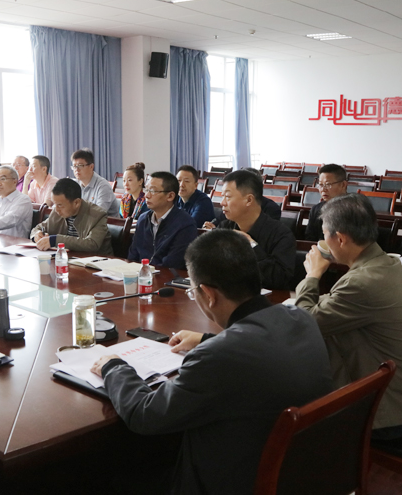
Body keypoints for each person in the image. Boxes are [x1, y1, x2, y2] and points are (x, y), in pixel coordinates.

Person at [91, 230, 333, 494]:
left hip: (229, 482)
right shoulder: (301, 318)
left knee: (106, 475)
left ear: (208, 294)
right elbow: (260, 351)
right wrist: (207, 339)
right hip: (297, 474)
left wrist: (114, 367)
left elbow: (146, 415)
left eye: (193, 291)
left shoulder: (219, 356)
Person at [296, 194, 402, 438]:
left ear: (340, 238)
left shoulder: (362, 281)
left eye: (324, 234)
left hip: (385, 413)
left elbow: (305, 323)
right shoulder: (386, 263)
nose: (323, 241)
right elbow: (340, 301)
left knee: (291, 402)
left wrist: (312, 276)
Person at [213, 170, 295, 290]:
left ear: (249, 200)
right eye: (222, 196)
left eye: (228, 197)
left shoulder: (281, 234)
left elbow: (280, 278)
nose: (222, 203)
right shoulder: (224, 228)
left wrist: (252, 245)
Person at [128, 172, 197, 269]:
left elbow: (174, 263)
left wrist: (147, 271)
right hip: (140, 273)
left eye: (153, 191)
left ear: (170, 196)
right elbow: (133, 254)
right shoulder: (143, 219)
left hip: (166, 275)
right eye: (146, 189)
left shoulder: (185, 224)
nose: (147, 195)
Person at [31, 178, 113, 254]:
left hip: (96, 261)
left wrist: (55, 240)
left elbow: (92, 244)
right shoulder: (57, 212)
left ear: (76, 203)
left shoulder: (97, 215)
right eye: (55, 204)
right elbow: (38, 228)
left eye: (60, 205)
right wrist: (37, 234)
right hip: (67, 259)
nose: (56, 209)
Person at [305, 163, 348, 241]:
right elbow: (309, 239)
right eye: (320, 185)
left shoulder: (356, 209)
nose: (323, 189)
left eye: (328, 184)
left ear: (343, 185)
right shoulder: (316, 209)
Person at [71, 149, 118, 217]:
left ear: (91, 166)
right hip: (82, 221)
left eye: (80, 165)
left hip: (105, 223)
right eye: (74, 166)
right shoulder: (74, 184)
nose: (76, 169)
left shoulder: (103, 186)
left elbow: (98, 214)